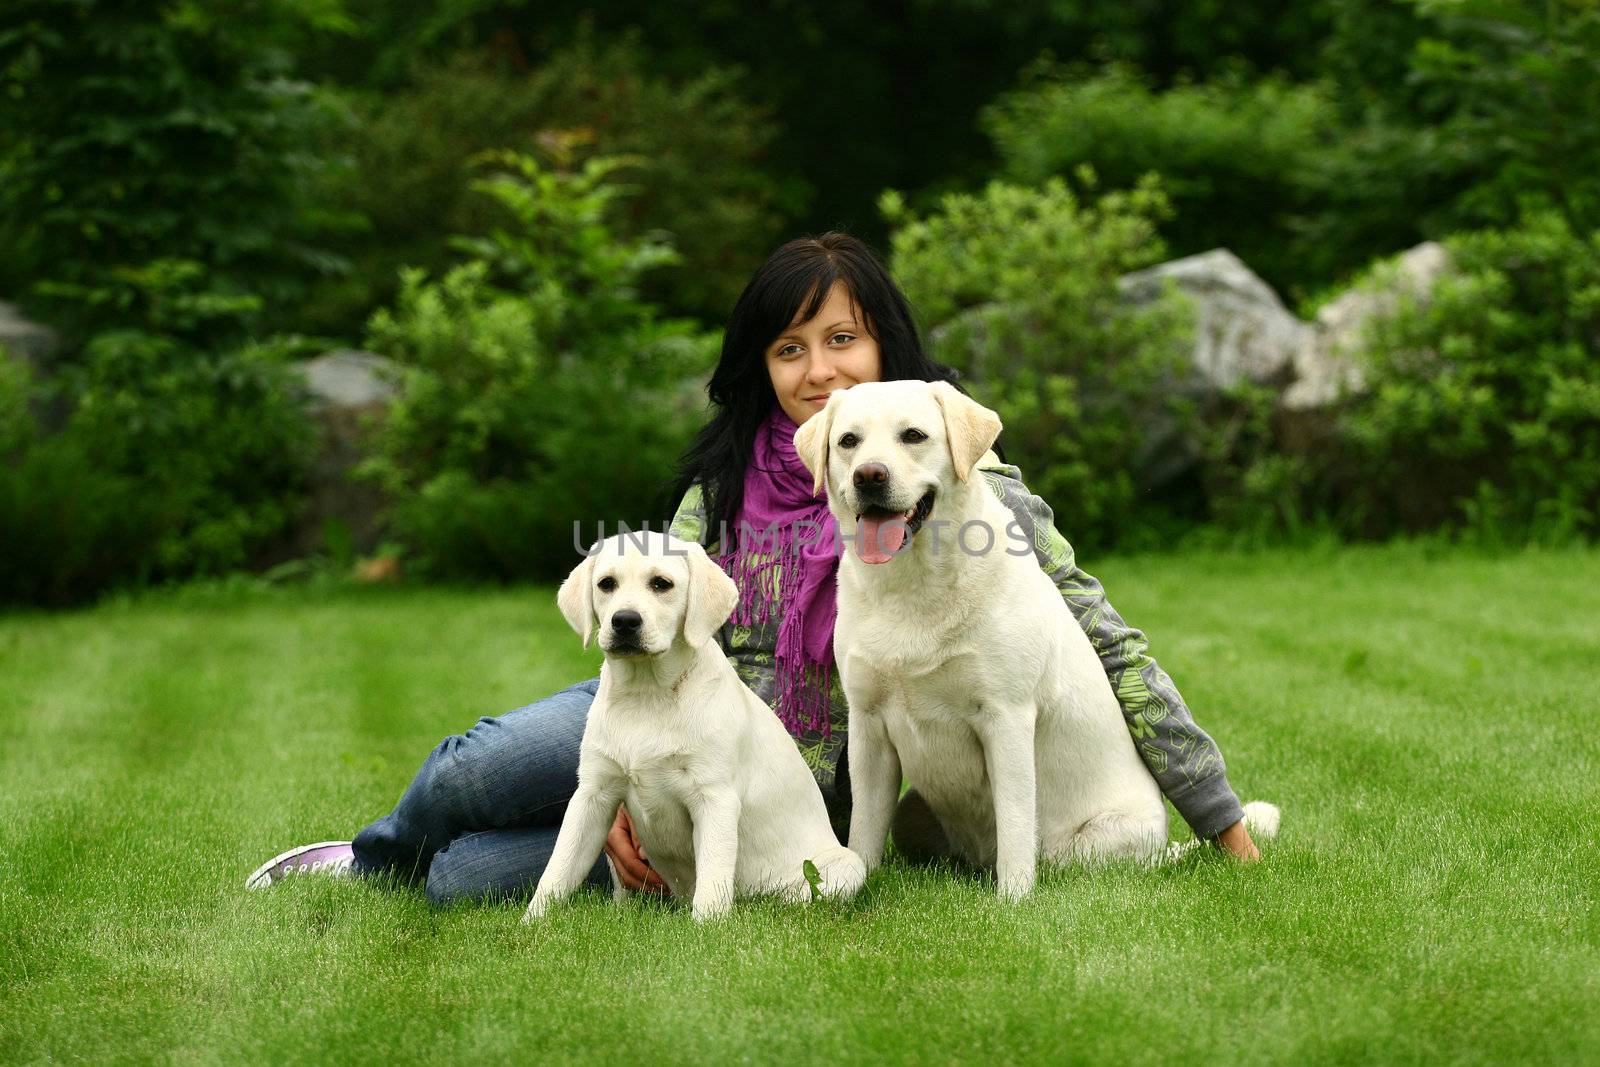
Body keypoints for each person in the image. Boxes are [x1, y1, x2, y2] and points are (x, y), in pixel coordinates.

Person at [246, 233, 1260, 902]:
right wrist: (632, 780)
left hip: (768, 795)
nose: (818, 371)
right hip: (658, 701)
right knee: (476, 768)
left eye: (841, 339)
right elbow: (644, 597)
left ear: (885, 347)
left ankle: (432, 873)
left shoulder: (970, 485)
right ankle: (364, 855)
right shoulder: (726, 482)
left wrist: (1215, 817)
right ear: (759, 366)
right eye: (788, 348)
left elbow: (1106, 643)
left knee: (469, 882)